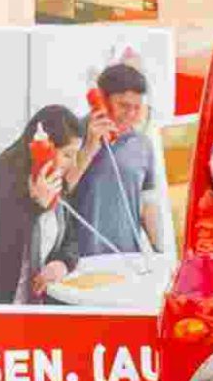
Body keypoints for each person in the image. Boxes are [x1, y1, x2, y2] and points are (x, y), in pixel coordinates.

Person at [0, 105, 84, 306]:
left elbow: (71, 240)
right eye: (67, 155)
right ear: (44, 148)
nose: (74, 165)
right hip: (3, 305)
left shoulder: (58, 183)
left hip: (38, 306)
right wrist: (36, 205)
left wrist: (62, 263)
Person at [66, 62, 165, 259]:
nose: (130, 115)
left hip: (128, 258)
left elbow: (147, 205)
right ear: (101, 99)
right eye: (123, 106)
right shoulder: (73, 133)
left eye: (136, 108)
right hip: (79, 259)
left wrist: (160, 251)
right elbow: (61, 190)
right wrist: (90, 147)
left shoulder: (143, 144)